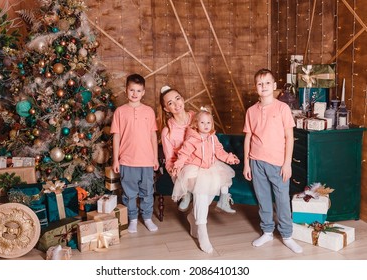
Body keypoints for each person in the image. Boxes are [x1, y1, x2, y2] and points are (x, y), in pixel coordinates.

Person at [242, 68, 303, 254]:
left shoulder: (282, 108)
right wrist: (246, 163)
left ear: (274, 86)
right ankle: (267, 231)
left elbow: (289, 136)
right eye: (260, 84)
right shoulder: (251, 111)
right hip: (256, 161)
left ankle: (287, 235)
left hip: (278, 162)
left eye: (267, 83)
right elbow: (248, 137)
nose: (264, 86)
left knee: (282, 199)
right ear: (255, 88)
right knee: (263, 198)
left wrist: (287, 163)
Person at [170, 106, 240, 253]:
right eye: (202, 123)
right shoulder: (192, 139)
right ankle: (202, 231)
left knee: (208, 198)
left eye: (208, 122)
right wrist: (178, 165)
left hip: (211, 169)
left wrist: (229, 158)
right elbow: (183, 154)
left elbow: (220, 152)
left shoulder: (213, 138)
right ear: (196, 124)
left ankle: (192, 217)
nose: (206, 125)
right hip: (196, 170)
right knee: (201, 196)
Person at [111, 73, 159, 233]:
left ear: (143, 92)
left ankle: (146, 217)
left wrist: (155, 158)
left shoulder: (149, 111)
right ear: (126, 90)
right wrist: (116, 160)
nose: (135, 94)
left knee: (147, 192)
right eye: (132, 90)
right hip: (127, 160)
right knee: (129, 194)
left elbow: (153, 135)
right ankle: (132, 219)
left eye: (138, 91)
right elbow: (116, 136)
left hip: (146, 160)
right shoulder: (120, 111)